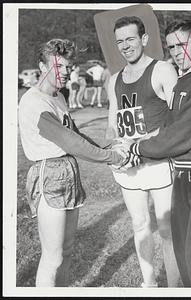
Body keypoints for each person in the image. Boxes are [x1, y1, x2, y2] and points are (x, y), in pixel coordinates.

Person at [18, 38, 137, 287]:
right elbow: (71, 143)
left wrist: (106, 146)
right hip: (49, 174)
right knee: (52, 257)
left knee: (68, 251)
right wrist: (112, 157)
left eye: (68, 67)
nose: (65, 72)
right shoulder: (34, 102)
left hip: (68, 173)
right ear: (42, 66)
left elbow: (74, 134)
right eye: (58, 67)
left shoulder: (58, 96)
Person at [120, 19, 191, 287]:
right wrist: (143, 138)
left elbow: (184, 132)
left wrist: (139, 149)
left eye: (182, 45)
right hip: (182, 173)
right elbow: (171, 124)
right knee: (181, 251)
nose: (177, 52)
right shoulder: (185, 77)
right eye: (171, 47)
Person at [106, 16, 180, 287]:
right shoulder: (113, 80)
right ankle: (148, 284)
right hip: (130, 166)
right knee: (139, 224)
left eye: (130, 39)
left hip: (158, 162)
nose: (125, 46)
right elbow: (112, 123)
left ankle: (174, 287)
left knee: (167, 230)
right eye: (120, 41)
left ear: (144, 39)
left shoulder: (162, 70)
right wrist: (115, 147)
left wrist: (145, 141)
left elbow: (178, 119)